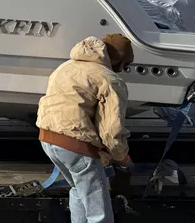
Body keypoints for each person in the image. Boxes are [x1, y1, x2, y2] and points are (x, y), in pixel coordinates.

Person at [36, 34, 135, 223]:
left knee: (79, 191)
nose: (123, 70)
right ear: (118, 60)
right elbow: (112, 131)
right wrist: (122, 157)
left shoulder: (67, 66)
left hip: (48, 139)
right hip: (76, 145)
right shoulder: (110, 79)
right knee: (99, 213)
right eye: (125, 65)